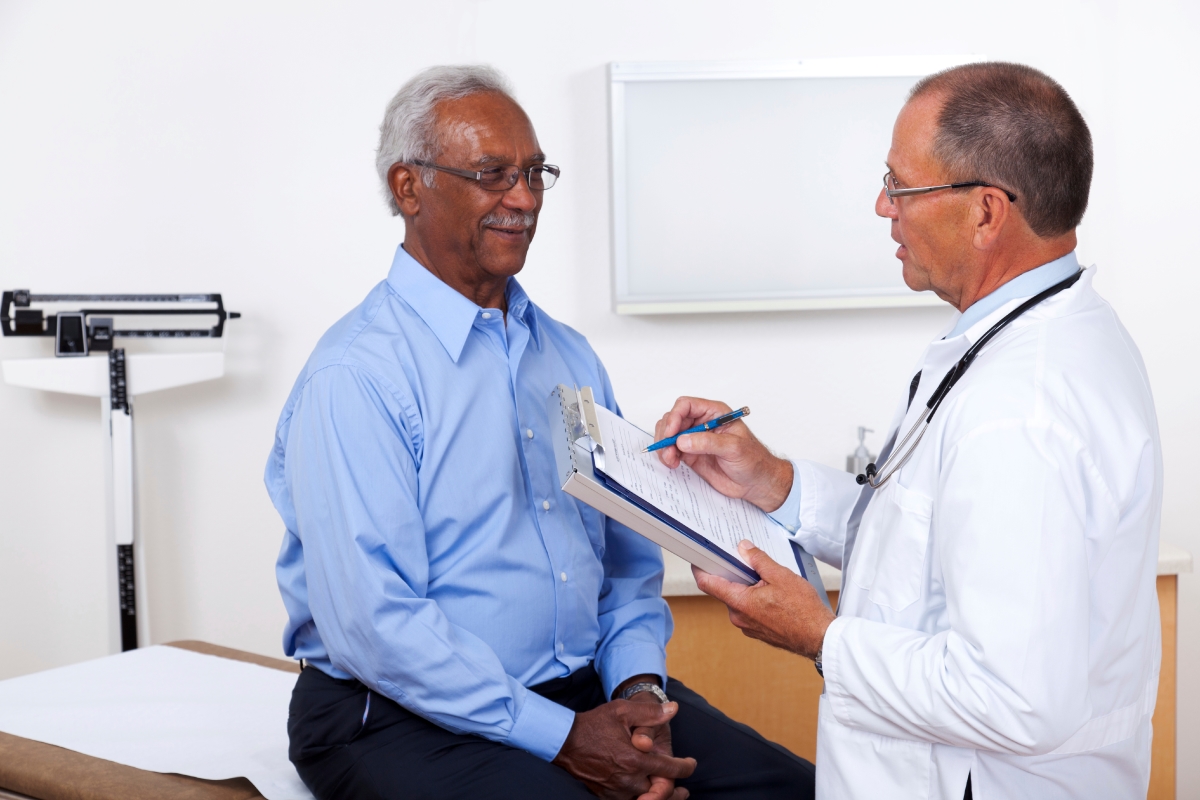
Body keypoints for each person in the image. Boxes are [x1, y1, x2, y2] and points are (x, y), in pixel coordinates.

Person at [264, 65, 814, 800]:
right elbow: (376, 625)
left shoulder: (567, 356)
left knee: (798, 789)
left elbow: (626, 561)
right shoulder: (357, 376)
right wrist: (562, 739)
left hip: (582, 690)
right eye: (493, 174)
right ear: (408, 187)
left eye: (534, 173)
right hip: (391, 714)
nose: (523, 199)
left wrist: (642, 694)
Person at [652, 62, 1161, 800]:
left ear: (987, 212)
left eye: (901, 186)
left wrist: (821, 639)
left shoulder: (1025, 406)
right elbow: (923, 551)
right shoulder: (1035, 336)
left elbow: (1016, 698)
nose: (881, 207)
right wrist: (777, 484)